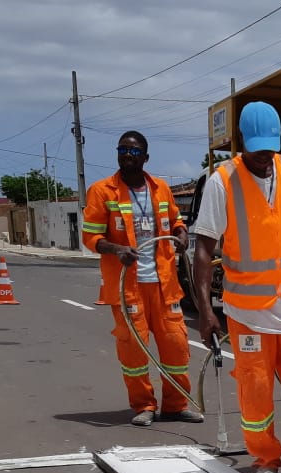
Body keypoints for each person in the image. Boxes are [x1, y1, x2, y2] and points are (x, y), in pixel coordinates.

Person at [192, 101, 281, 473]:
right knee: (255, 394)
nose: (264, 156)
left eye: (270, 148)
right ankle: (265, 460)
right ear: (241, 143)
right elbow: (203, 249)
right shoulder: (222, 181)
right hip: (248, 310)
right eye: (256, 149)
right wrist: (205, 310)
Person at [82, 131, 203, 427]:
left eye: (134, 151)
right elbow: (91, 236)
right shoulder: (102, 191)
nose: (128, 155)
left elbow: (175, 221)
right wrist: (116, 249)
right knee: (134, 351)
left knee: (175, 347)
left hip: (164, 285)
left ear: (146, 157)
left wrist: (181, 234)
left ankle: (175, 406)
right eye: (123, 149)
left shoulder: (160, 188)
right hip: (127, 287)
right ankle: (144, 405)